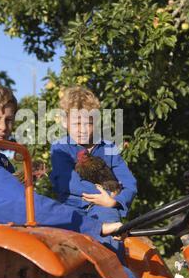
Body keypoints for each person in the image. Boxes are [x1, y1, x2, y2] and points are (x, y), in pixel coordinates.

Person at [0, 81, 124, 247]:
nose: (4, 127)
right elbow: (25, 205)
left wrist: (91, 221)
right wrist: (94, 227)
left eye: (9, 120)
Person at [50, 86, 137, 259]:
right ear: (65, 123)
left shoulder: (109, 147)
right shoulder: (60, 148)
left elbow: (129, 183)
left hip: (103, 207)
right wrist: (104, 193)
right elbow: (68, 182)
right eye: (76, 124)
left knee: (110, 243)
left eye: (87, 123)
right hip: (72, 208)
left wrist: (114, 201)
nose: (82, 129)